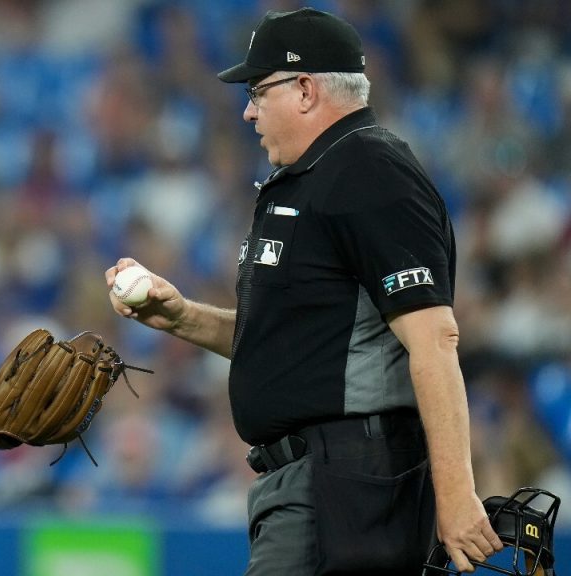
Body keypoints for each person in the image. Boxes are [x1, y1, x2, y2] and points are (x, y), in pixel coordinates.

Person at [106, 8, 503, 575]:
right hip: (311, 480)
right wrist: (181, 317)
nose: (247, 110)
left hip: (346, 484)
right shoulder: (314, 175)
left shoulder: (368, 169)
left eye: (258, 90)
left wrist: (458, 495)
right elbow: (302, 346)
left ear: (307, 89)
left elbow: (434, 337)